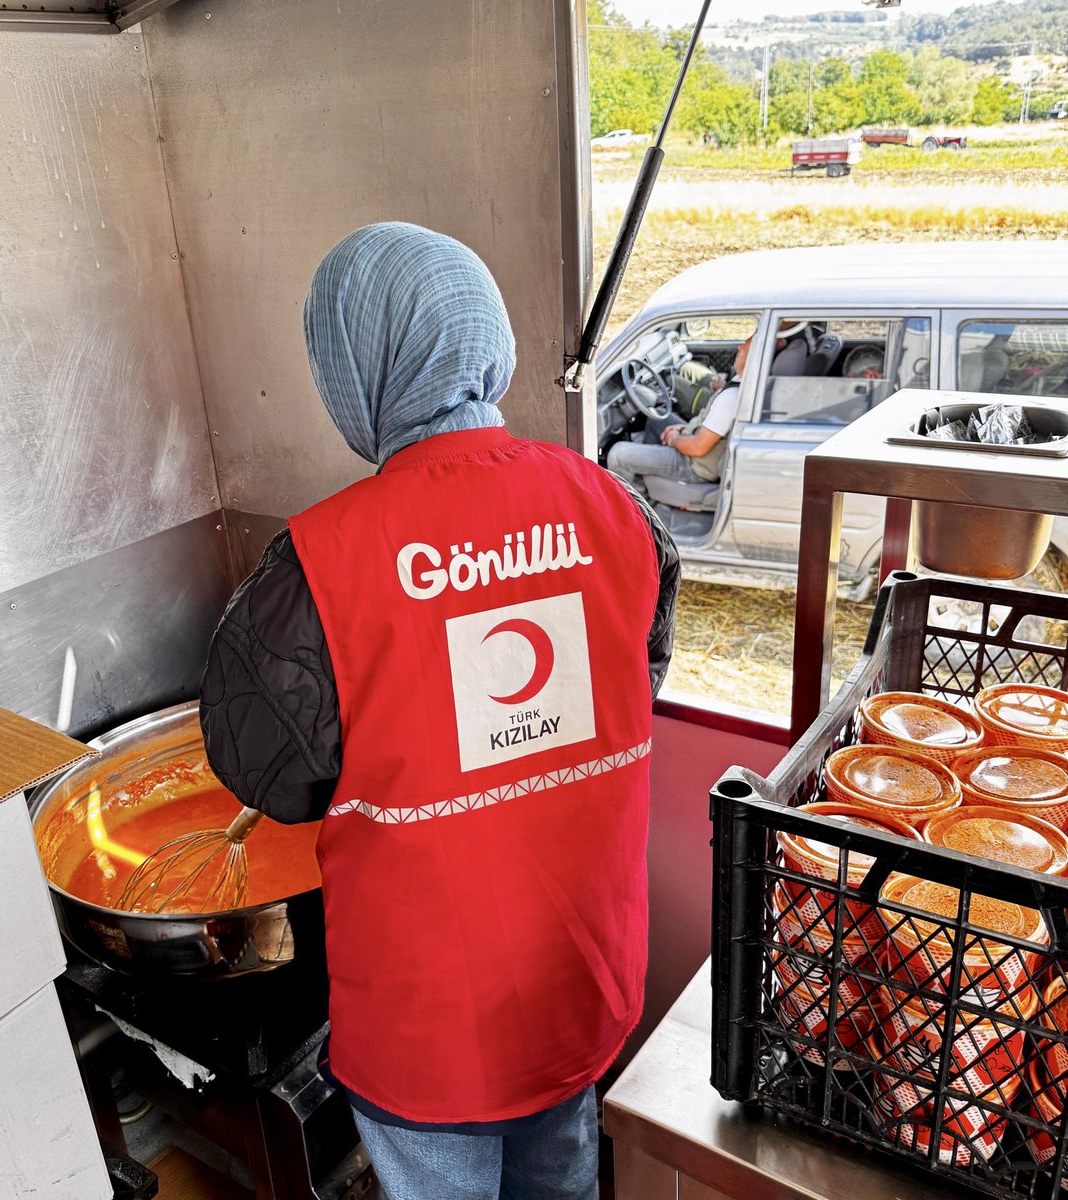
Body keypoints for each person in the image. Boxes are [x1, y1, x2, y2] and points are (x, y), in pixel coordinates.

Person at [199, 222, 680, 1200]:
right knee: (564, 1178)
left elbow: (271, 778)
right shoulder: (616, 508)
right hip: (578, 982)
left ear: (357, 366)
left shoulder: (319, 563)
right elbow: (640, 678)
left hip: (429, 1030)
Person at [607, 325, 808, 496]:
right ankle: (653, 483)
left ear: (755, 359)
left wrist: (674, 439)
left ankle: (639, 508)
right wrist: (681, 428)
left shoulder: (731, 399)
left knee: (617, 454)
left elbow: (697, 448)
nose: (738, 346)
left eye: (744, 347)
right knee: (655, 421)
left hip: (695, 464)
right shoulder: (745, 383)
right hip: (695, 439)